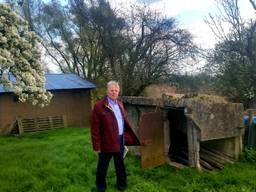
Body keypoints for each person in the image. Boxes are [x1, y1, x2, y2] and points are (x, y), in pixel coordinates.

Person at [90, 80, 140, 192]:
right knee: (102, 167)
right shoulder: (99, 106)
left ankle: (122, 186)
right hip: (106, 142)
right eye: (112, 90)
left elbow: (123, 122)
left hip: (120, 140)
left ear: (119, 92)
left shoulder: (120, 104)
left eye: (116, 90)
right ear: (107, 91)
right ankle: (100, 187)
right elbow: (95, 129)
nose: (114, 92)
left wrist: (126, 138)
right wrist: (97, 146)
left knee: (120, 166)